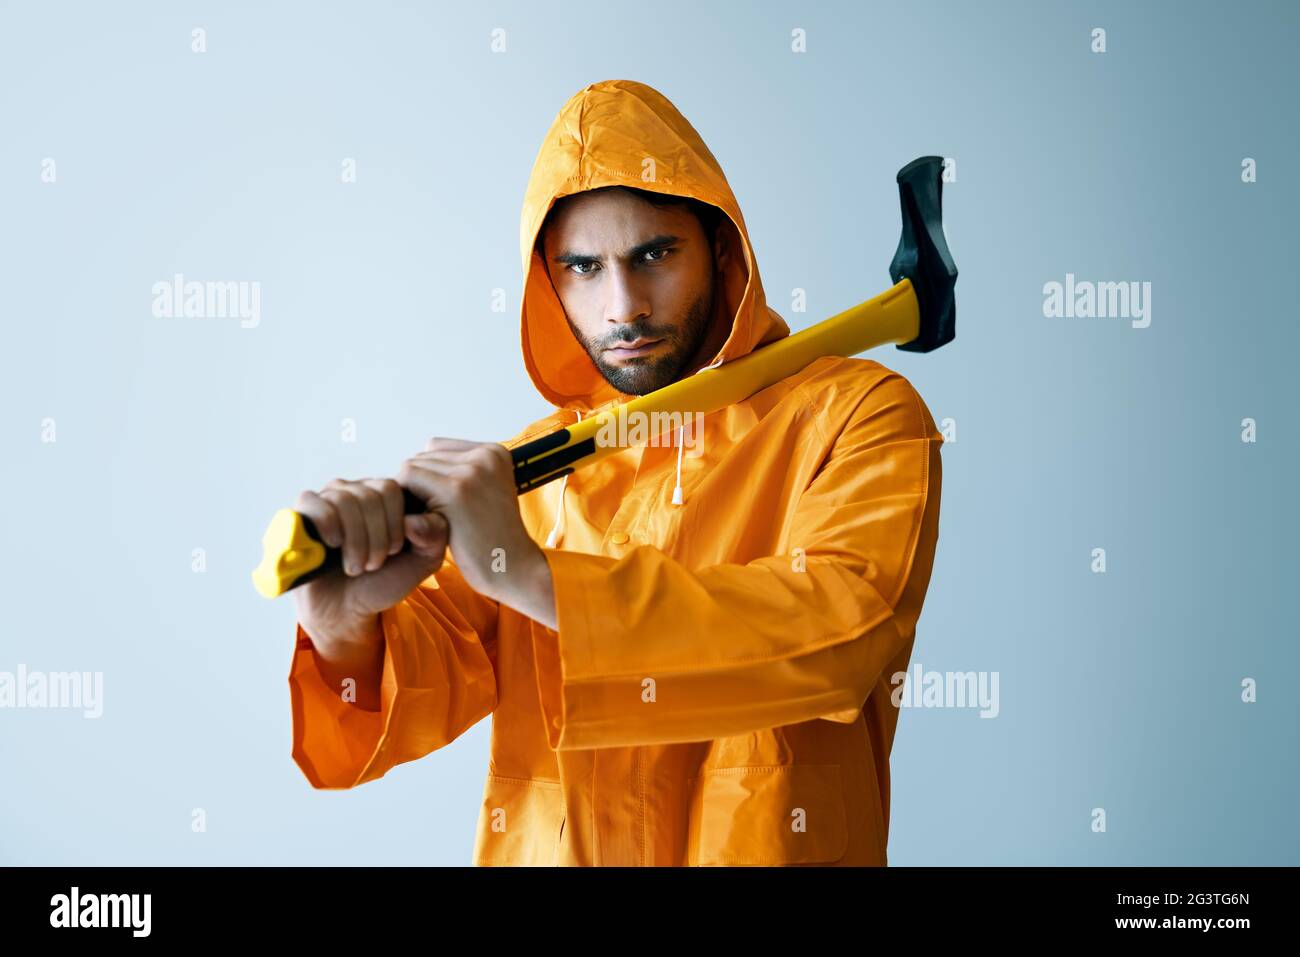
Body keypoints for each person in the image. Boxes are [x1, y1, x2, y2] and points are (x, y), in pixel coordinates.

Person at [286, 78, 944, 866]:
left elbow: (835, 640)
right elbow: (400, 700)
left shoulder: (858, 414)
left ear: (722, 251)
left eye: (654, 255)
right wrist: (341, 623)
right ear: (548, 282)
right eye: (584, 267)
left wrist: (532, 576)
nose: (622, 306)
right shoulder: (530, 475)